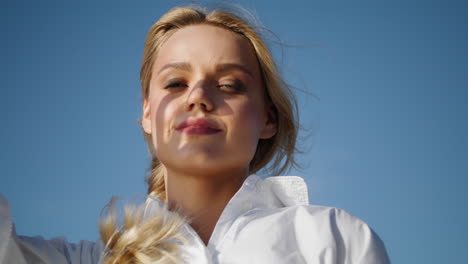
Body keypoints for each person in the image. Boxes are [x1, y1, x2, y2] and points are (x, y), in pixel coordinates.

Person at [0, 5, 390, 264]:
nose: (199, 97)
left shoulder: (334, 239)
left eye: (231, 84)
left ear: (268, 119)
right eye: (174, 83)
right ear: (148, 114)